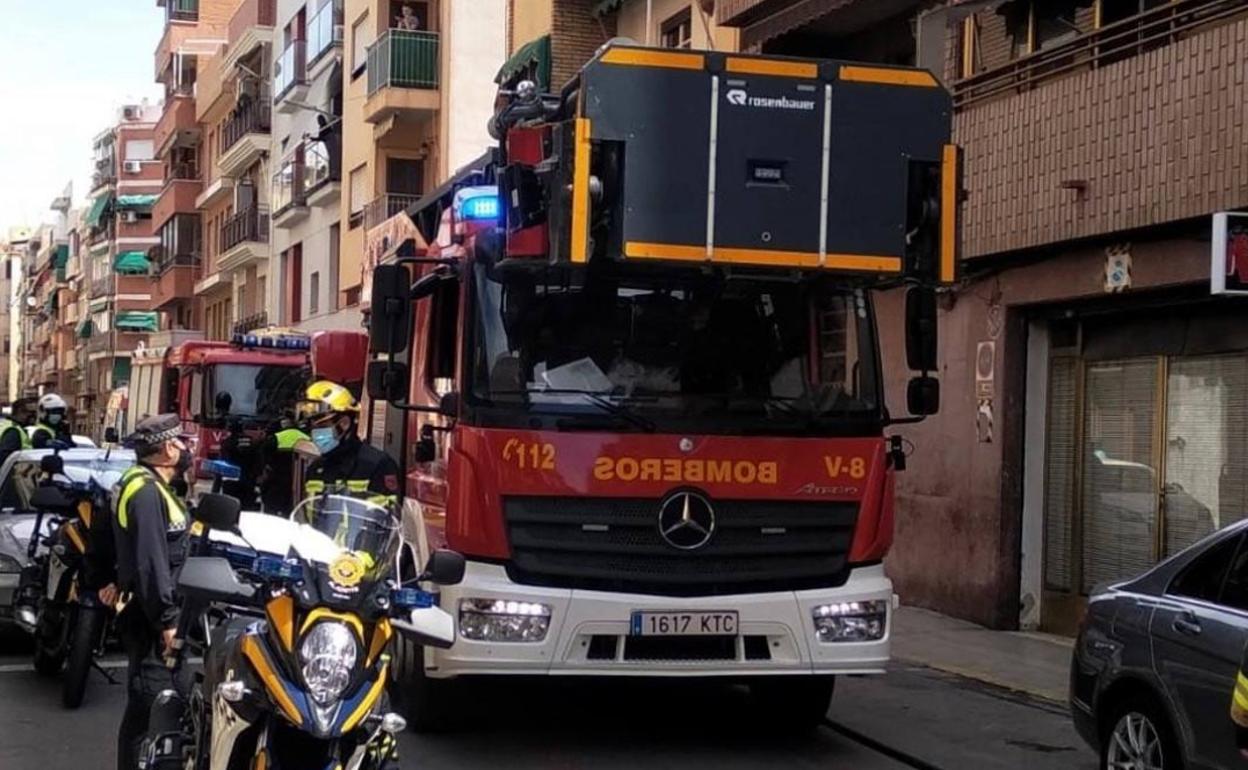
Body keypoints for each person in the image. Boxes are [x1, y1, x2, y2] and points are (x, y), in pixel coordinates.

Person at [111, 414, 192, 770]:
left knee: (161, 703)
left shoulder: (148, 485)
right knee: (148, 707)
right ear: (167, 449)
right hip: (152, 620)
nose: (187, 448)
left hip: (153, 614)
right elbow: (150, 563)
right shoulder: (144, 492)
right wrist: (168, 621)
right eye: (181, 443)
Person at [299, 381, 399, 505]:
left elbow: (387, 518)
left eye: (321, 426)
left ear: (344, 424)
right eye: (312, 428)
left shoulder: (377, 464)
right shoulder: (315, 469)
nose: (315, 433)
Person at [257, 415, 310, 514]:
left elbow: (264, 459)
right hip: (300, 483)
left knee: (272, 513)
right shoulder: (307, 438)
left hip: (277, 481)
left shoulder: (276, 438)